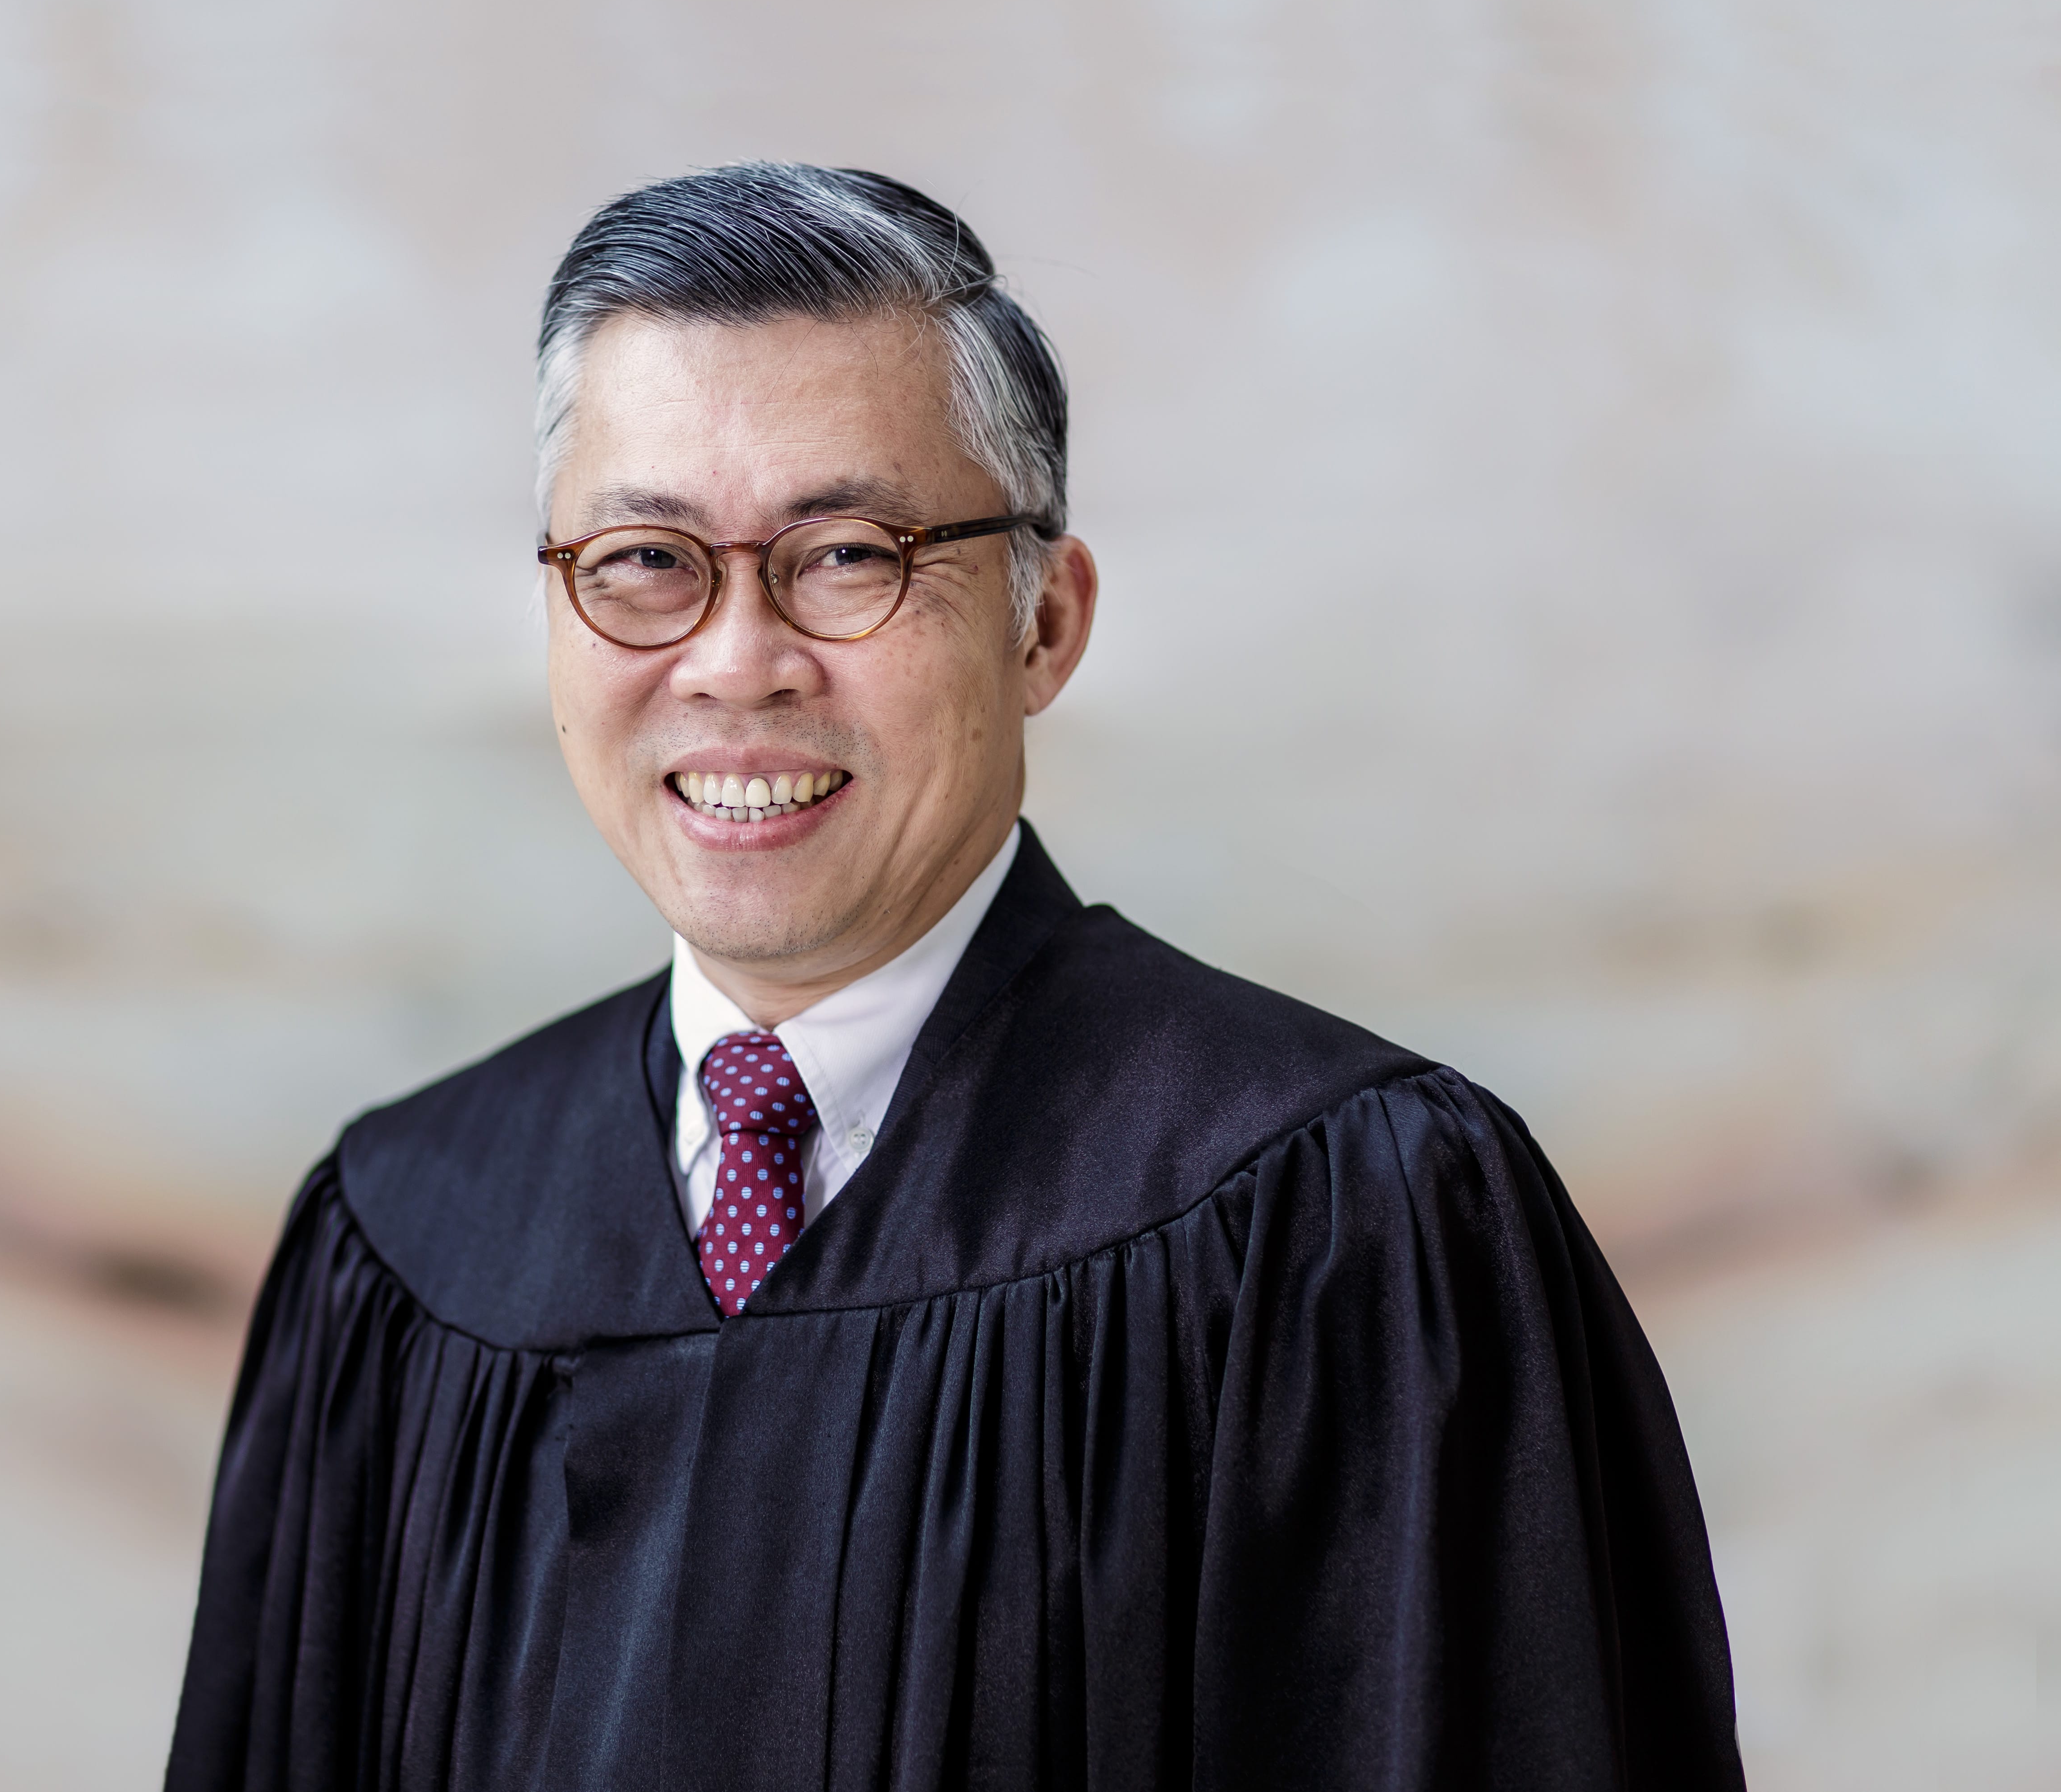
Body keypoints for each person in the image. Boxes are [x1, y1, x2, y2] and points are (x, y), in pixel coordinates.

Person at [164, 163, 1743, 1792]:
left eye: (848, 554)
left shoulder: (1351, 1229)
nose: (737, 659)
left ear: (1044, 621)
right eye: (645, 560)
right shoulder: (403, 1245)